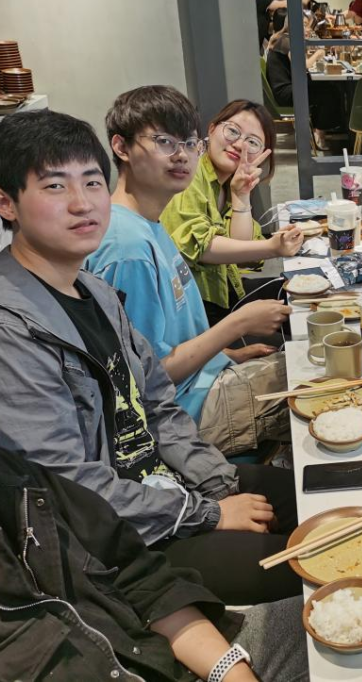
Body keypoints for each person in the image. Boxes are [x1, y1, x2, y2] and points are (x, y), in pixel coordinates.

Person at [0, 253, 307, 681]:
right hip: (153, 538)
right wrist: (206, 514)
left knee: (339, 581)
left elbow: (138, 576)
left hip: (159, 645)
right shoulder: (14, 332)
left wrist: (228, 669)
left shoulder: (7, 477)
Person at [0, 109, 303, 606]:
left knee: (324, 496)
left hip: (165, 484)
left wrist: (217, 483)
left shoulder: (94, 291)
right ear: (4, 202)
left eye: (92, 182)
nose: (83, 203)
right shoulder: (3, 332)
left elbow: (157, 403)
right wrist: (208, 514)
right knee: (316, 565)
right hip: (113, 542)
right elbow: (67, 487)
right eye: (55, 186)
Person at [85, 86, 291, 459]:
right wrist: (240, 323)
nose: (181, 155)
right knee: (323, 375)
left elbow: (168, 340)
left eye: (189, 143)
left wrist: (227, 353)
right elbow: (144, 379)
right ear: (121, 147)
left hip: (204, 377)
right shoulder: (127, 248)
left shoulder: (149, 223)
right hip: (181, 414)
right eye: (164, 141)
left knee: (312, 354)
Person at [160, 100, 303, 327]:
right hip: (194, 311)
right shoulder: (190, 173)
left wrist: (241, 196)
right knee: (300, 314)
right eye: (233, 131)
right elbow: (202, 248)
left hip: (224, 293)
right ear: (212, 129)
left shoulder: (230, 183)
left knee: (306, 296)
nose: (239, 145)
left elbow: (241, 251)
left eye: (252, 142)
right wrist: (273, 247)